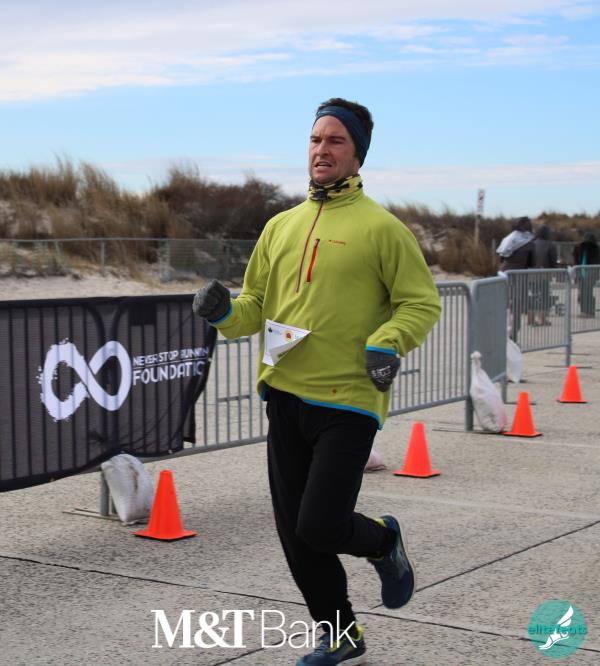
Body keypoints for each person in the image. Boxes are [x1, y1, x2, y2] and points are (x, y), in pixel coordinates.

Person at [193, 98, 441, 665]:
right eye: (315, 139)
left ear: (357, 155)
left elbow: (421, 303)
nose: (321, 150)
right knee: (296, 533)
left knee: (321, 524)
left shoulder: (383, 229)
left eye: (335, 140)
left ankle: (383, 540)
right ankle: (341, 632)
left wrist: (389, 340)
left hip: (348, 398)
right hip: (284, 393)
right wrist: (223, 313)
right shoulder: (280, 226)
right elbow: (254, 307)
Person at [498, 217, 535, 340]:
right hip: (519, 276)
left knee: (502, 305)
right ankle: (512, 336)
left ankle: (500, 335)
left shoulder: (508, 238)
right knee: (516, 307)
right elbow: (532, 262)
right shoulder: (529, 242)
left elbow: (502, 257)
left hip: (503, 274)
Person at [528, 225, 558, 326]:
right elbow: (553, 262)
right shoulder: (550, 245)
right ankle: (542, 319)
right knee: (544, 297)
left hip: (529, 275)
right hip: (544, 275)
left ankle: (530, 319)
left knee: (532, 296)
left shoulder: (530, 244)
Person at [573, 232, 600, 316]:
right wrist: (577, 276)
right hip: (582, 273)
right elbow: (576, 261)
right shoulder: (580, 249)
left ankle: (589, 311)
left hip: (590, 275)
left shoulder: (595, 250)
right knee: (583, 293)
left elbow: (595, 263)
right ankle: (584, 311)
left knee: (588, 292)